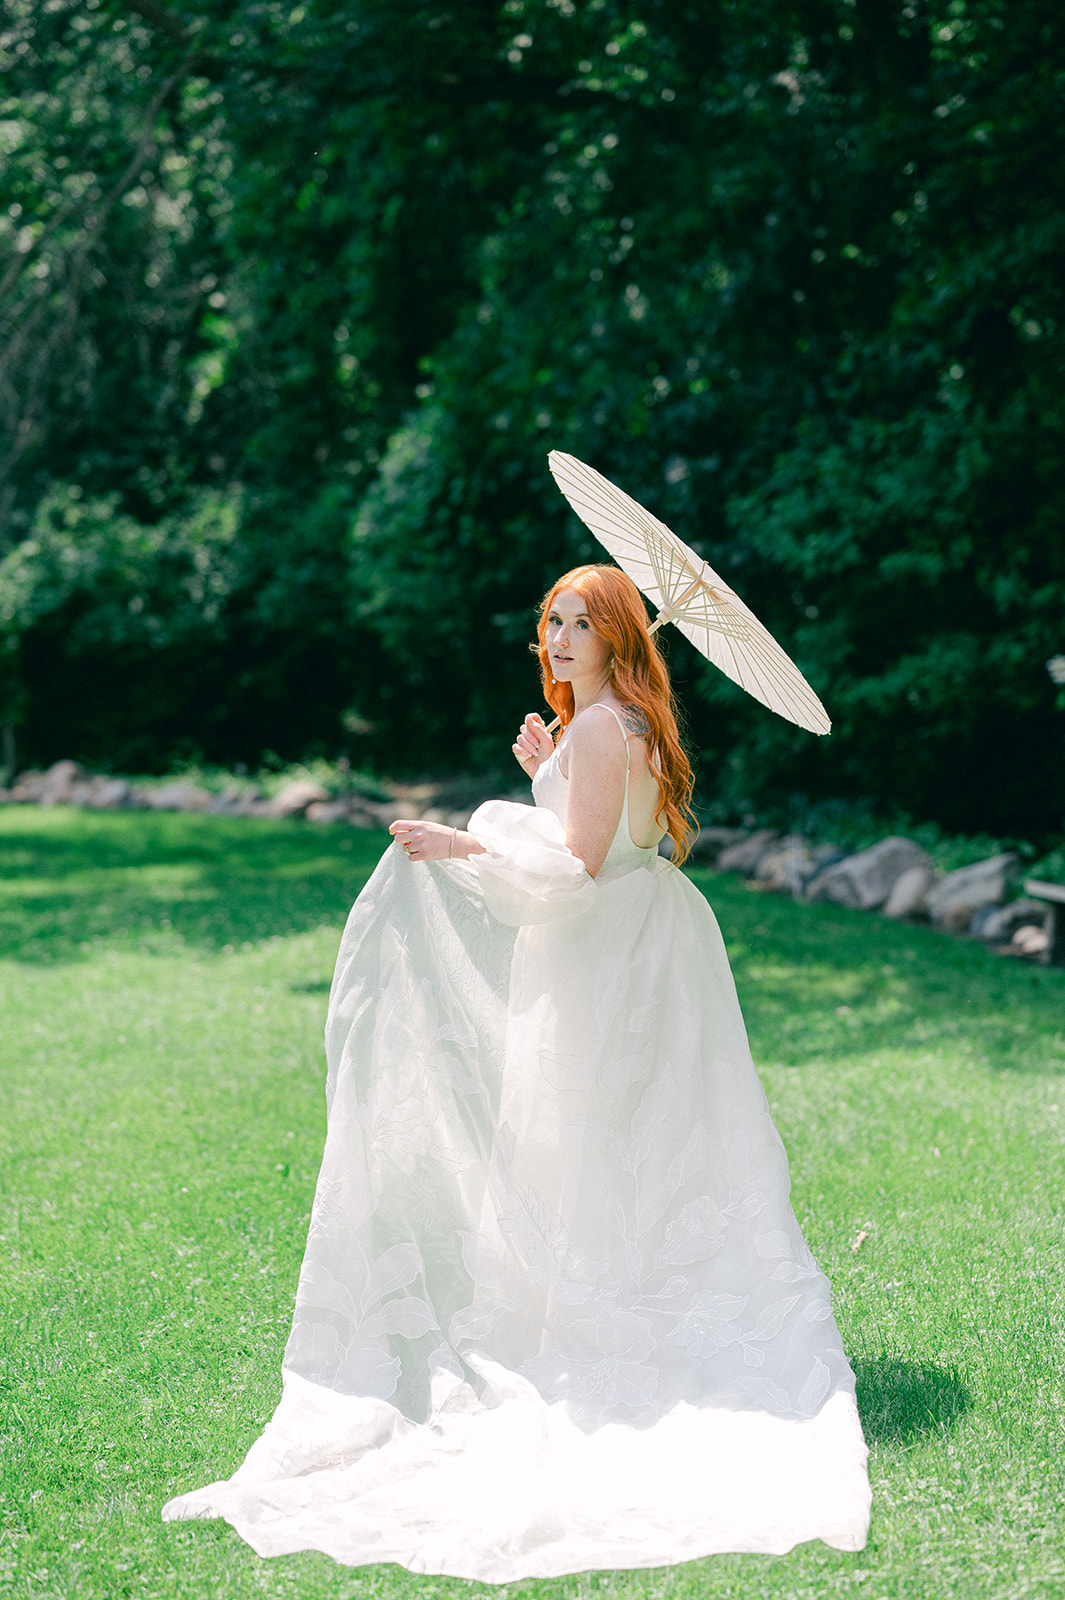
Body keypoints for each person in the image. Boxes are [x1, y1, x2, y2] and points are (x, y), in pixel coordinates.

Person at [163, 564, 871, 1580]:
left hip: (603, 958)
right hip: (656, 947)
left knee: (580, 1135)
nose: (561, 636)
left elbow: (574, 866)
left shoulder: (603, 727)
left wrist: (469, 837)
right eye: (554, 620)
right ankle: (623, 1291)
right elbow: (646, 839)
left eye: (583, 623)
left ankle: (590, 1315)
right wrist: (548, 767)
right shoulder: (634, 725)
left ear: (624, 635)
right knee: (646, 1141)